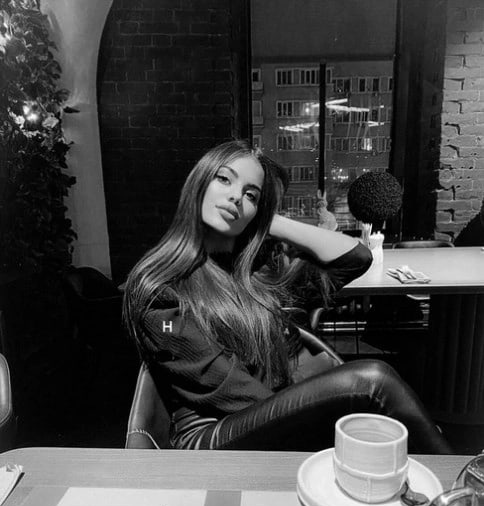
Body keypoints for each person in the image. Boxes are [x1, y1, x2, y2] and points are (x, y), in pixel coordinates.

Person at [123, 139, 452, 453]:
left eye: (251, 195)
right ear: (199, 184)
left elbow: (356, 258)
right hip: (213, 433)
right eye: (224, 179)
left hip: (261, 408)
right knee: (372, 383)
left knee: (382, 418)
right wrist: (312, 413)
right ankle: (457, 483)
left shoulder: (254, 274)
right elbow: (223, 385)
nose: (236, 197)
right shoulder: (159, 287)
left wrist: (268, 220)